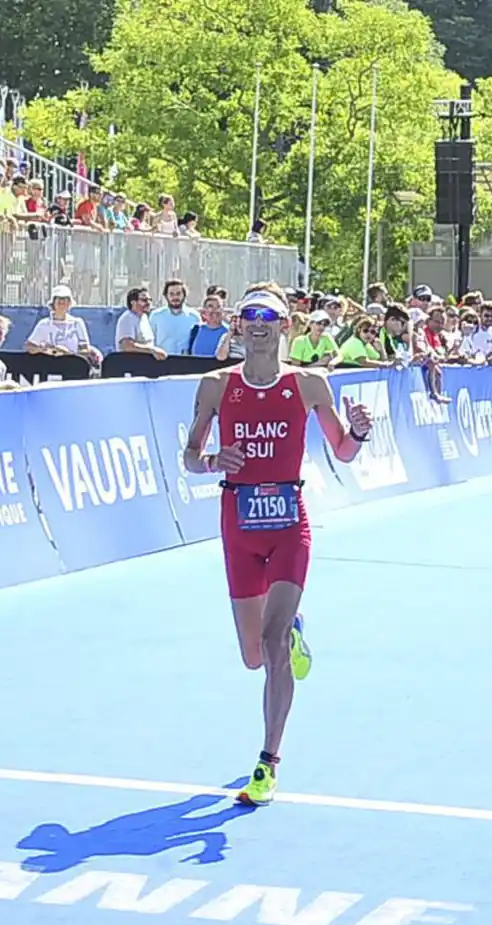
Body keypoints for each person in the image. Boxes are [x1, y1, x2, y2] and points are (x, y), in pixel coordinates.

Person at [180, 289, 373, 807]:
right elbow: (190, 457)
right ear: (239, 327)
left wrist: (358, 434)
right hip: (238, 523)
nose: (258, 325)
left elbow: (344, 451)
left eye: (268, 317)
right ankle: (291, 636)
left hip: (289, 521)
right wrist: (213, 459)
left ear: (285, 325)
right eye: (250, 317)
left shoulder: (309, 382)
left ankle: (268, 762)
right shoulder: (217, 385)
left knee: (270, 643)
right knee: (252, 656)